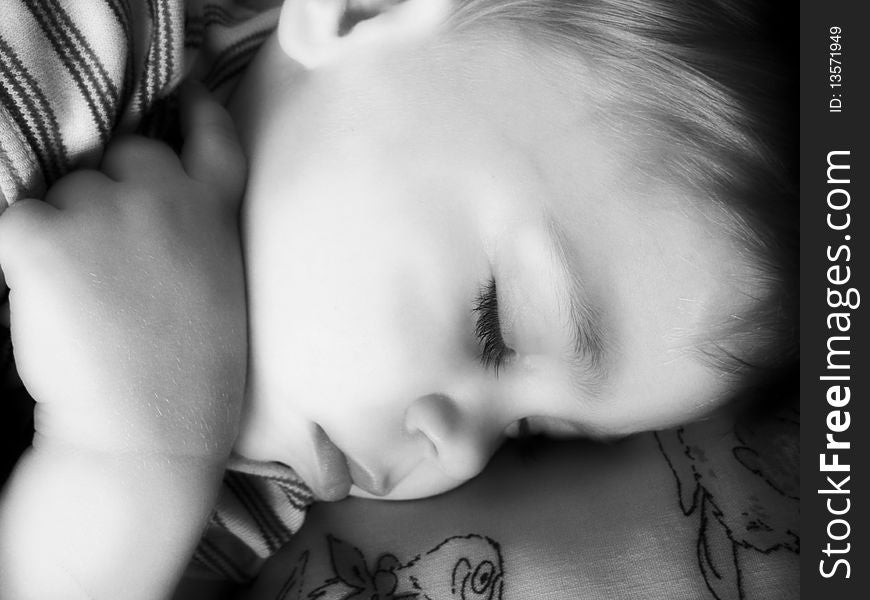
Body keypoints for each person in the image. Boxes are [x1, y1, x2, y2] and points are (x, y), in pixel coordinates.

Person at [0, 0, 797, 598]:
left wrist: (133, 463)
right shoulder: (85, 44)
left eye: (526, 432)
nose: (457, 453)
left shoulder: (242, 512)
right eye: (496, 323)